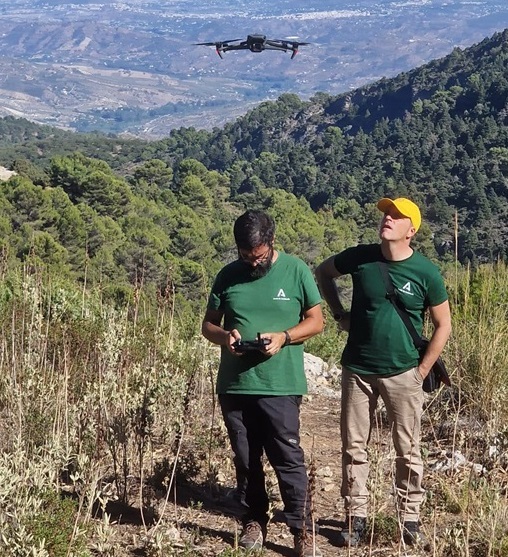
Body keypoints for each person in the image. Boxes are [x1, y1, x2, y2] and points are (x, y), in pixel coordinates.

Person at [315, 197, 451, 550]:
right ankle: (356, 518)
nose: (387, 219)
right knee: (352, 446)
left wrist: (421, 371)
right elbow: (323, 273)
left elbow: (443, 325)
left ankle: (409, 520)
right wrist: (339, 313)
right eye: (386, 214)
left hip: (403, 373)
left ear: (412, 230)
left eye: (396, 216)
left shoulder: (425, 272)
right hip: (357, 368)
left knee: (408, 449)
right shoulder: (360, 257)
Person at [202, 209, 324, 557]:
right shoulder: (227, 276)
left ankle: (302, 528)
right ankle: (254, 519)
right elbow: (207, 325)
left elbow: (316, 322)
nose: (253, 264)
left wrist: (284, 337)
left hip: (280, 384)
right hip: (236, 385)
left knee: (287, 456)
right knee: (246, 458)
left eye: (258, 257)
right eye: (245, 257)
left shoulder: (296, 269)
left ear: (271, 243)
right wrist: (226, 336)